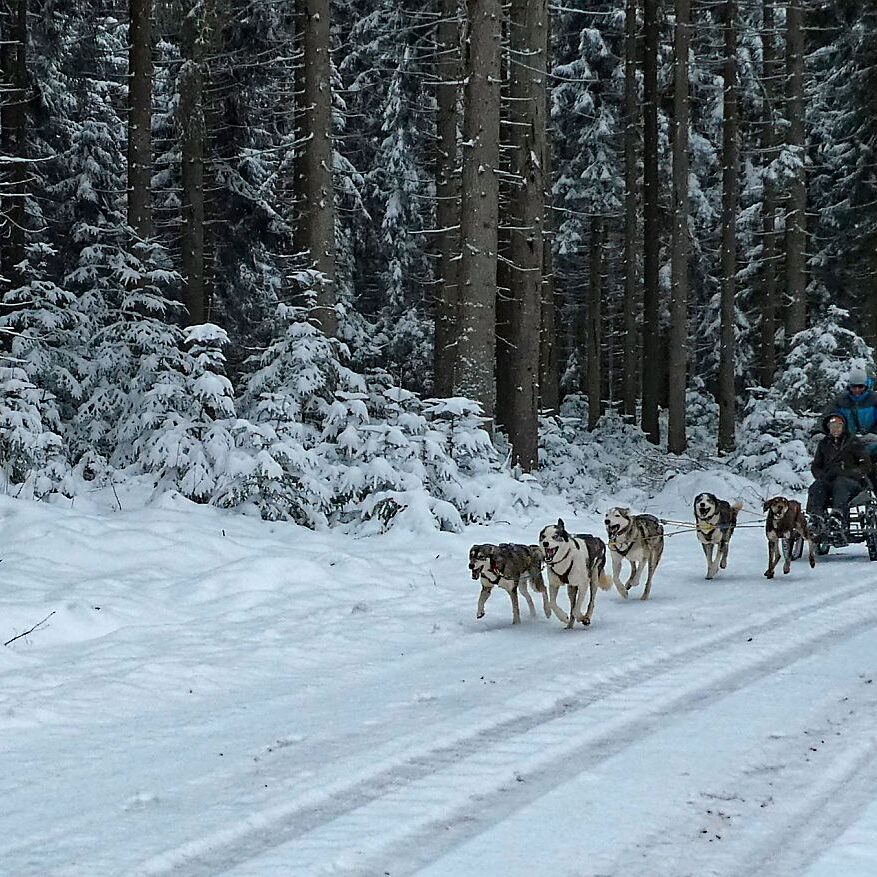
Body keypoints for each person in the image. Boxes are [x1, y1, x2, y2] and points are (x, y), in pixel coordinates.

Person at [807, 413, 870, 542]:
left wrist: (851, 473)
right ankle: (817, 517)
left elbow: (865, 464)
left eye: (838, 426)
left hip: (852, 482)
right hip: (829, 480)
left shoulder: (853, 442)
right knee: (817, 486)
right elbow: (816, 466)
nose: (835, 429)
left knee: (840, 483)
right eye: (832, 426)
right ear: (828, 428)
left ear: (843, 427)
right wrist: (822, 476)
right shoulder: (824, 444)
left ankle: (838, 515)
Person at [828, 367, 877, 453]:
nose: (857, 390)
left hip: (874, 446)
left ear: (866, 386)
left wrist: (874, 433)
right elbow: (828, 416)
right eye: (854, 386)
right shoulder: (841, 401)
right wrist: (819, 431)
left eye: (860, 386)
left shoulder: (874, 399)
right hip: (848, 446)